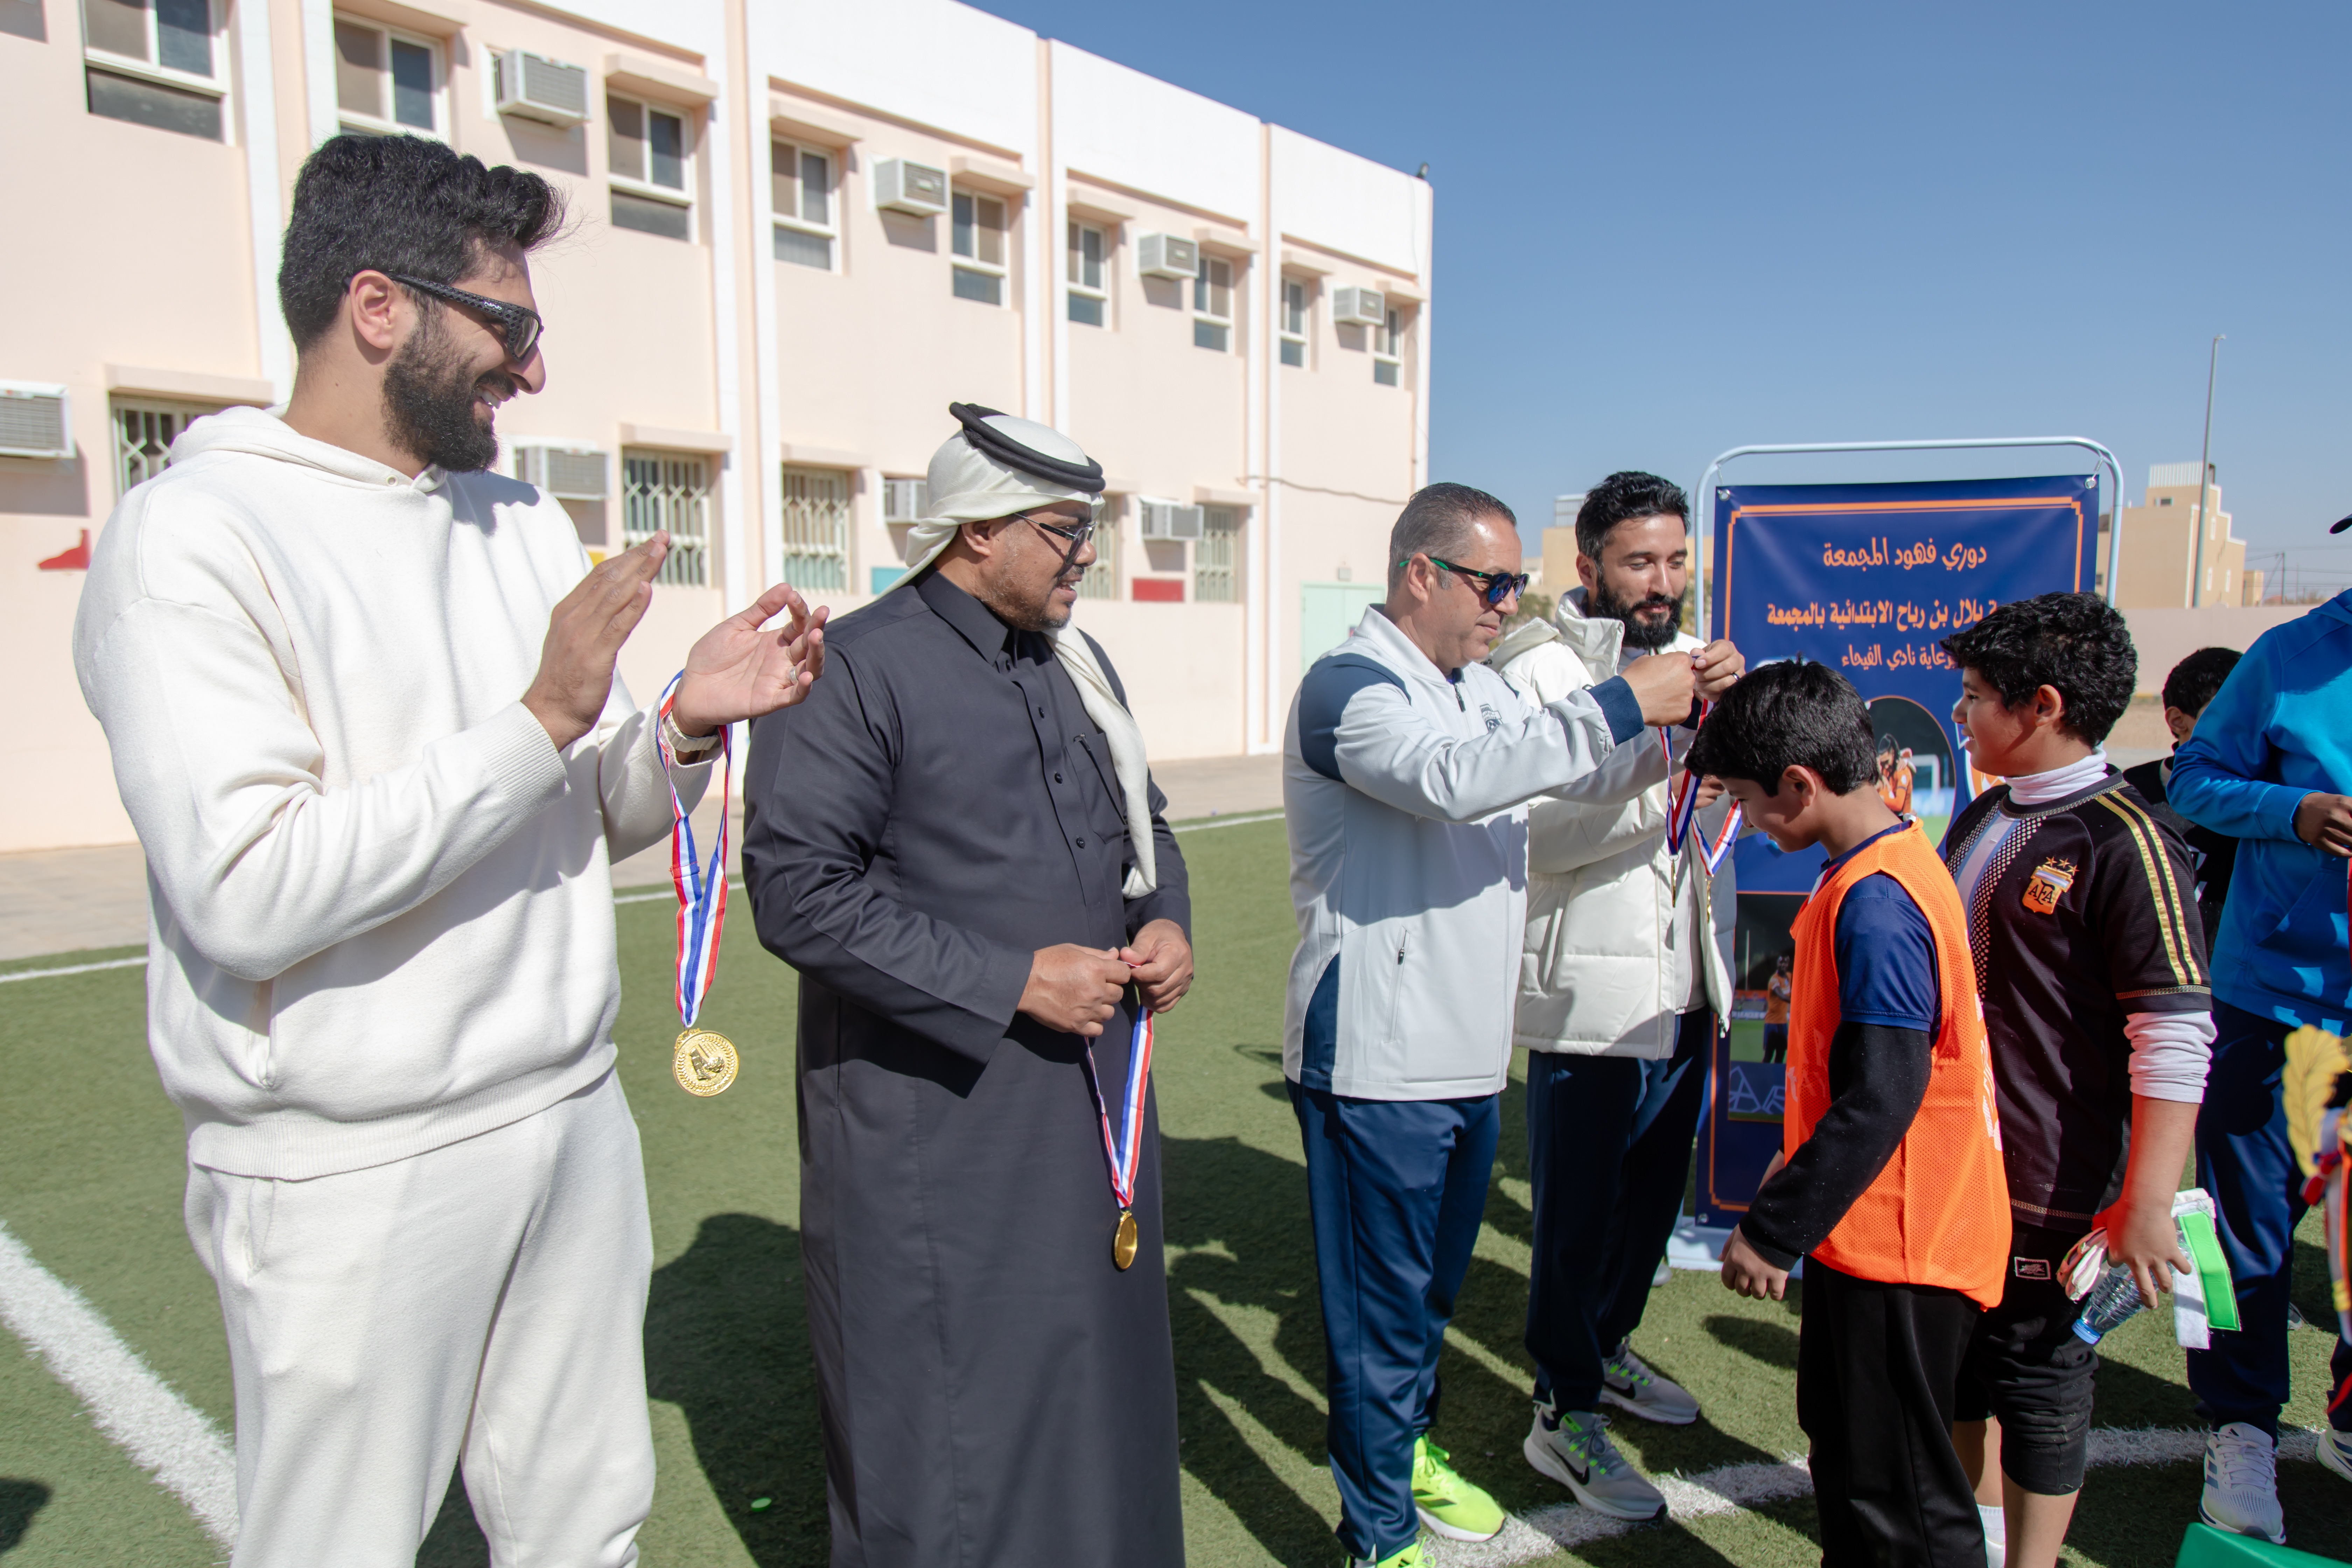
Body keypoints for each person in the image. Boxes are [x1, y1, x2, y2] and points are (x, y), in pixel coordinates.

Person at [69, 134, 827, 1567]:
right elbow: (249, 890)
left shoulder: (519, 518)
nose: (531, 371)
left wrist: (677, 725)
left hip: (568, 1113)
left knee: (583, 1525)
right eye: (512, 326)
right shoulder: (193, 538)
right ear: (378, 308)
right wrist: (543, 713)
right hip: (349, 1164)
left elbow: (582, 809)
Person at [741, 405, 1195, 1568]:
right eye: (1063, 529)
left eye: (1091, 528)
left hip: (1092, 1112)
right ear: (976, 532)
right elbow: (797, 889)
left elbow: (1146, 827)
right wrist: (1009, 981)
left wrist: (1166, 922)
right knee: (952, 1434)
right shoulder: (855, 668)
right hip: (935, 1136)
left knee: (1098, 1397)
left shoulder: (1079, 665)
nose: (1085, 553)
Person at [1284, 482, 1716, 1567]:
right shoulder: (1349, 685)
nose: (1506, 603)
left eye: (1514, 582)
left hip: (1465, 1049)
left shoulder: (1468, 683)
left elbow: (1555, 777)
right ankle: (1376, 1533)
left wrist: (1685, 722)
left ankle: (1404, 1453)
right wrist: (1625, 697)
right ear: (1418, 573)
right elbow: (1454, 780)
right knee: (1378, 1314)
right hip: (1376, 1052)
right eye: (1491, 582)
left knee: (1426, 1299)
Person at [1698, 660, 2010, 1568]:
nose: (1749, 823)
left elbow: (1885, 1091)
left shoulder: (1879, 902)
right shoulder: (1879, 863)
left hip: (1905, 1245)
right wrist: (1799, 1170)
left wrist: (1775, 1227)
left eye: (1753, 802)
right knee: (1851, 1466)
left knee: (1902, 1505)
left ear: (1800, 784)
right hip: (1869, 1229)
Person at [1485, 470, 1746, 1519]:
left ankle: (1609, 1346)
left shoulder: (1695, 656)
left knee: (1645, 1208)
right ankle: (1562, 1407)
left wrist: (1731, 716)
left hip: (1682, 982)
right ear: (1586, 564)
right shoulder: (1541, 665)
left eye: (1675, 559)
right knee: (1575, 1214)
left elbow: (1720, 804)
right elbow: (1528, 826)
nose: (1661, 581)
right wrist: (1671, 771)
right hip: (1587, 996)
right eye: (1638, 561)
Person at [1935, 594, 2212, 1568]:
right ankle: (1976, 1534)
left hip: (2058, 1181)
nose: (1960, 717)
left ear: (2042, 704)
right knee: (1963, 1364)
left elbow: (2175, 1033)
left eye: (1973, 698)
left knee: (2042, 1374)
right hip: (1962, 1168)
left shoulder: (2123, 839)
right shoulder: (1982, 814)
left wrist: (2147, 1199)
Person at [2168, 570, 2352, 1542]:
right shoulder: (2289, 657)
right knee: (2232, 1228)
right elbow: (2192, 779)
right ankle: (2234, 1423)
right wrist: (2297, 813)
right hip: (2273, 998)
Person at [2122, 645, 2244, 950]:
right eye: (2231, 711)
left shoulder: (2274, 806)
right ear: (2178, 721)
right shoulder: (2127, 794)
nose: (2249, 726)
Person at [1763, 955, 1794, 1064]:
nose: (1783, 965)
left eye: (1786, 962)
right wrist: (1797, 1002)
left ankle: (1775, 1080)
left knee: (1781, 1055)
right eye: (1781, 962)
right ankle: (1763, 1079)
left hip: (1783, 1023)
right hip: (1772, 1023)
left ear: (1788, 964)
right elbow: (1782, 996)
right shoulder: (1774, 980)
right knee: (1769, 1056)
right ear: (1777, 964)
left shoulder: (1790, 977)